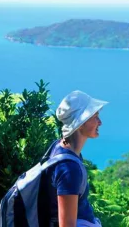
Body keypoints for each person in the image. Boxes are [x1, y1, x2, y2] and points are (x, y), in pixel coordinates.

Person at [47, 90, 107, 227]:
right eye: (95, 116)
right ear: (81, 123)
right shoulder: (69, 169)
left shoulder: (60, 147)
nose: (100, 122)